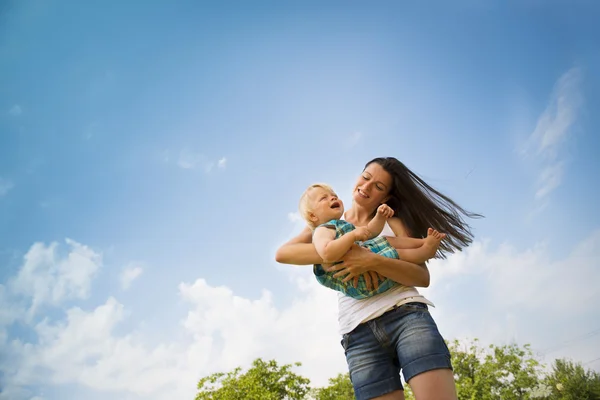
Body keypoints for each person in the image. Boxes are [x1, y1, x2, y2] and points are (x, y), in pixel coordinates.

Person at [276, 157, 481, 400]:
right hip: (358, 332)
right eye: (366, 177)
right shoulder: (329, 226)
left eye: (379, 187)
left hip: (406, 315)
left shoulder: (391, 221)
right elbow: (283, 253)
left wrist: (373, 260)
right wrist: (348, 248)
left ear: (385, 198)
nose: (367, 186)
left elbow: (422, 276)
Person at [298, 182, 446, 299]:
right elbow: (327, 253)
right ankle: (424, 251)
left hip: (364, 276)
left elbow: (370, 232)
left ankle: (423, 243)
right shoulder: (321, 231)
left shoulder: (342, 226)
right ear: (313, 216)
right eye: (324, 198)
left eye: (334, 195)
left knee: (385, 241)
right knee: (390, 251)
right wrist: (352, 236)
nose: (333, 197)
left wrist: (379, 217)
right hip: (358, 280)